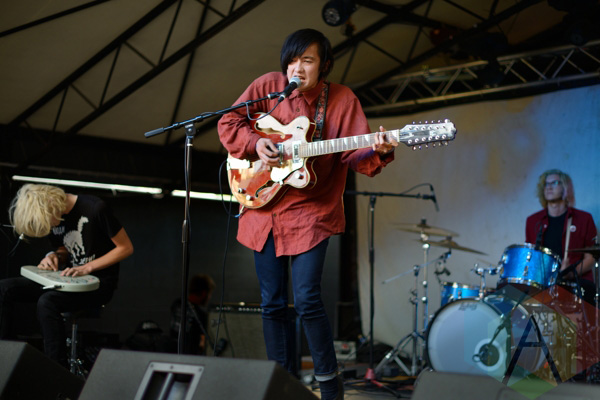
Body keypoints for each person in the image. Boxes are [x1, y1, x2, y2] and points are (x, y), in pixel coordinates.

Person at [218, 28, 398, 400]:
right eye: (292, 60)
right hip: (264, 206)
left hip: (311, 212)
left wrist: (378, 150)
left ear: (324, 65)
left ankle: (330, 387)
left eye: (307, 61)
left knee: (307, 299)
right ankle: (280, 385)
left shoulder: (341, 99)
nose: (297, 68)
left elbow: (355, 155)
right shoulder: (268, 86)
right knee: (271, 302)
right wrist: (257, 143)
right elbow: (228, 123)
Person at [0, 184, 133, 367]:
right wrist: (53, 256)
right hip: (68, 279)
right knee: (4, 289)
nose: (50, 226)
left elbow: (126, 248)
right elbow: (63, 250)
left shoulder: (95, 208)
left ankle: (56, 370)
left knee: (47, 302)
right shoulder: (55, 214)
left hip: (99, 283)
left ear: (51, 203)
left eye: (47, 222)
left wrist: (87, 267)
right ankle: (5, 358)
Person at [525, 169, 597, 303]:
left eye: (555, 183)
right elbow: (530, 256)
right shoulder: (533, 221)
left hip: (576, 284)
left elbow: (591, 257)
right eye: (546, 184)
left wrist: (570, 272)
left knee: (587, 293)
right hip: (544, 284)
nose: (549, 187)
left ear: (565, 188)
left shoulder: (584, 219)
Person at [170, 273, 215, 355]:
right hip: (190, 357)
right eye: (210, 294)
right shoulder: (200, 315)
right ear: (204, 293)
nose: (209, 297)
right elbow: (202, 344)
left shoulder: (177, 304)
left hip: (171, 354)